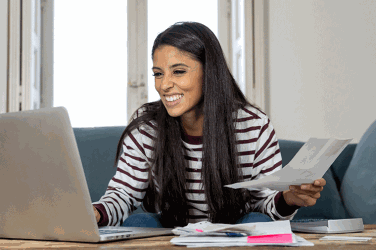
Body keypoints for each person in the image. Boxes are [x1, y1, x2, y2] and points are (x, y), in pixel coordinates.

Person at [92, 22, 326, 228]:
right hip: (171, 228)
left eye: (178, 72)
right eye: (158, 74)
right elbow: (123, 195)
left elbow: (265, 201)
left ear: (209, 72)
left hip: (234, 227)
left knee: (259, 222)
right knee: (138, 222)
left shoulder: (254, 125)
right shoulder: (147, 127)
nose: (164, 85)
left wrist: (289, 198)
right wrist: (94, 214)